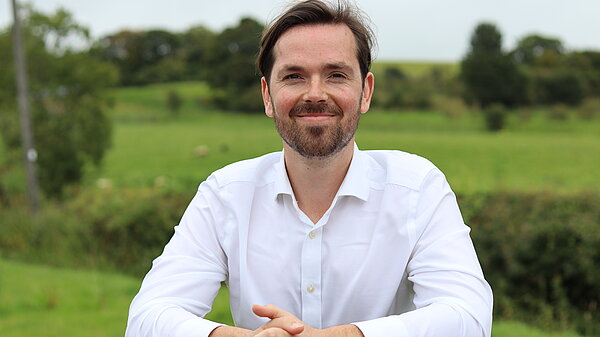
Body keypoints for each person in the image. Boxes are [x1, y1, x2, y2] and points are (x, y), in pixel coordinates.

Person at [125, 1, 493, 336]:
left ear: (365, 91)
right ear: (268, 96)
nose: (315, 93)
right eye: (294, 76)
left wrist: (341, 336)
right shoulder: (226, 193)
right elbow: (146, 317)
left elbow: (468, 317)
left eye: (336, 75)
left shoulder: (417, 188)